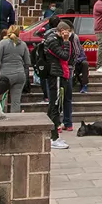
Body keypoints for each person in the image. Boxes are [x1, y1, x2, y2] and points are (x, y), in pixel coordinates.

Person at [41, 21, 72, 149]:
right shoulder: (53, 41)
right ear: (61, 30)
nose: (69, 34)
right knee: (55, 105)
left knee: (56, 105)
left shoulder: (57, 40)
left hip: (60, 74)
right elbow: (64, 56)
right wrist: (66, 41)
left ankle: (53, 135)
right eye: (67, 31)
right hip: (56, 75)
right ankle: (53, 137)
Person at [0, 25, 30, 114]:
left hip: (5, 74)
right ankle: (15, 118)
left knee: (1, 98)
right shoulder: (23, 44)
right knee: (16, 101)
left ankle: (1, 115)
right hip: (19, 74)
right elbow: (27, 62)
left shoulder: (3, 43)